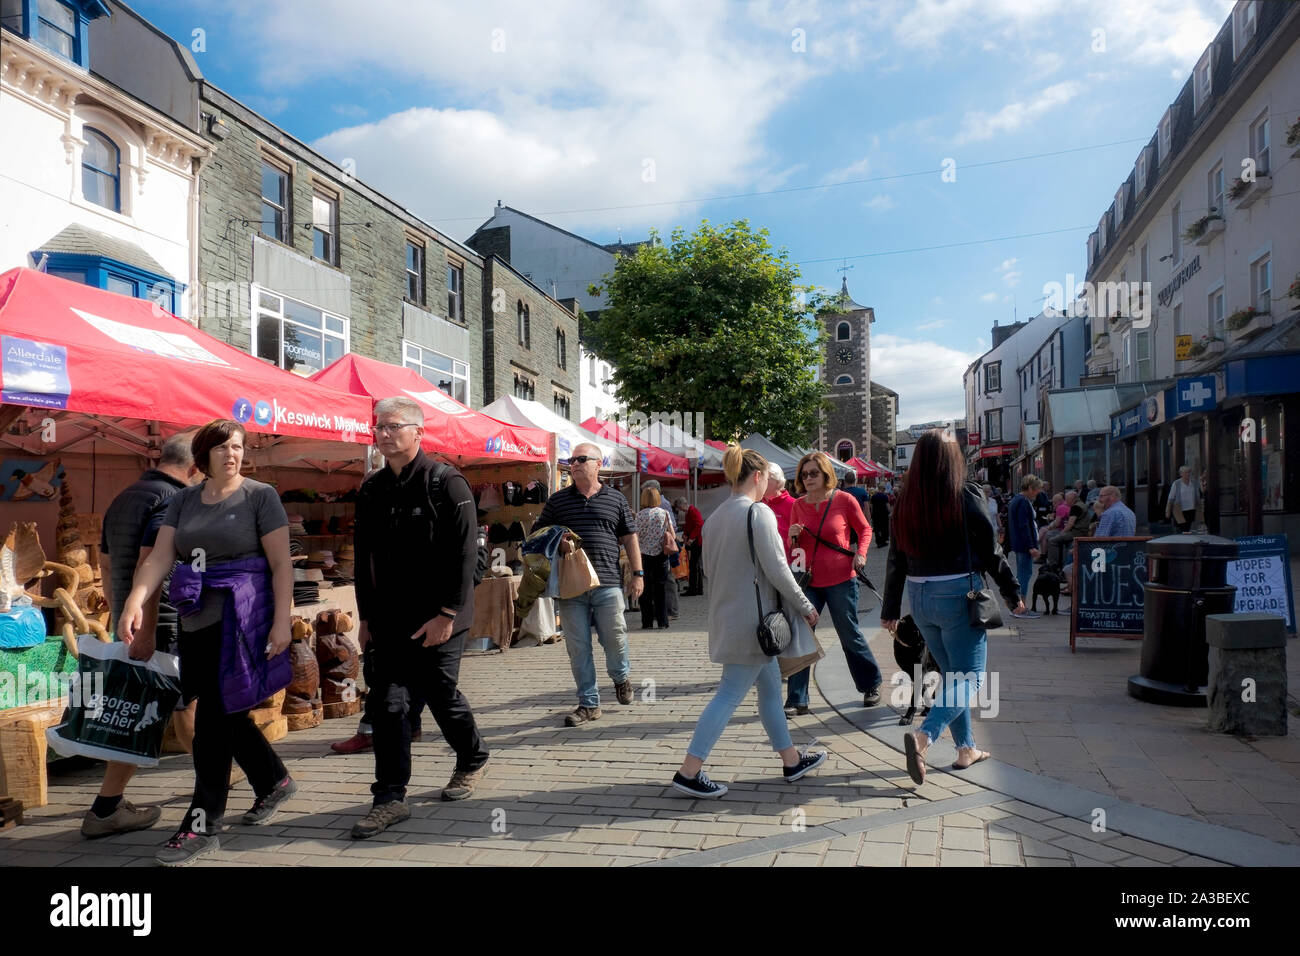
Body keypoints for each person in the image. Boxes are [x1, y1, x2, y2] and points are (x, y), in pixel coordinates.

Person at [120, 419, 296, 866]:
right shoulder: (183, 500)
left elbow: (280, 566)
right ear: (204, 456)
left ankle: (201, 825)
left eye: (237, 447)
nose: (231, 455)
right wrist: (134, 603)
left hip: (243, 620)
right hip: (195, 618)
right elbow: (162, 556)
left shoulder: (261, 496)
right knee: (228, 712)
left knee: (213, 724)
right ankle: (274, 781)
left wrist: (282, 623)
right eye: (221, 448)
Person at [348, 397, 491, 839]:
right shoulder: (372, 490)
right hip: (389, 620)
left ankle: (471, 758)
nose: (384, 434)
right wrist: (366, 617)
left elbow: (466, 557)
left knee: (440, 696)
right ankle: (389, 798)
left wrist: (447, 614)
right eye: (379, 427)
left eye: (393, 426)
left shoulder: (446, 483)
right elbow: (363, 560)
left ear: (418, 432)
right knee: (390, 705)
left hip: (440, 617)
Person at [670, 444, 826, 798]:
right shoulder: (759, 513)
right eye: (767, 479)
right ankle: (689, 771)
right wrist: (804, 604)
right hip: (756, 625)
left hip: (729, 618)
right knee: (729, 694)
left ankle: (791, 760)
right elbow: (777, 568)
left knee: (770, 690)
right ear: (757, 476)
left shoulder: (715, 518)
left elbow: (709, 571)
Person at [881, 430, 1024, 785]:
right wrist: (1012, 592)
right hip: (959, 594)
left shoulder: (904, 501)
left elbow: (895, 559)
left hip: (920, 597)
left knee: (953, 677)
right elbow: (992, 551)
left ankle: (966, 749)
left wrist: (890, 609)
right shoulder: (965, 494)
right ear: (953, 459)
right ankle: (923, 737)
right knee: (971, 675)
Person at [85, 433, 200, 839]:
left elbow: (105, 559)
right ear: (194, 468)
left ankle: (217, 777)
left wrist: (121, 613)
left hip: (131, 618)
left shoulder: (126, 496)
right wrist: (147, 626)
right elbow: (151, 561)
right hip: (161, 620)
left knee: (170, 705)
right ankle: (106, 807)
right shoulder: (171, 500)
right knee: (148, 711)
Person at [537, 442, 642, 726]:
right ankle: (589, 703)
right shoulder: (557, 501)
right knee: (578, 647)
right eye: (572, 460)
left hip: (608, 583)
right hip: (571, 586)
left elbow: (630, 537)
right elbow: (538, 533)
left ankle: (620, 677)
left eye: (581, 459)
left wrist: (638, 573)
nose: (575, 464)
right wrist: (555, 540)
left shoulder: (616, 499)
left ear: (598, 464)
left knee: (615, 638)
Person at [784, 451, 881, 716]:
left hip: (841, 579)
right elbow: (794, 548)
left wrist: (860, 553)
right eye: (804, 474)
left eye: (814, 472)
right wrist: (792, 537)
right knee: (803, 633)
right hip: (810, 581)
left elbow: (865, 529)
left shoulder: (844, 499)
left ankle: (871, 683)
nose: (808, 477)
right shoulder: (798, 505)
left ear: (826, 474)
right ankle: (797, 698)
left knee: (848, 632)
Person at [634, 487, 672, 630]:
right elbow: (672, 535)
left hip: (643, 556)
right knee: (660, 589)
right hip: (660, 555)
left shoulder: (640, 515)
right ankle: (662, 621)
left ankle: (647, 622)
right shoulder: (664, 514)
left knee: (646, 591)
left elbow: (635, 537)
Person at [1006, 475, 1042, 619]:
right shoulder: (1022, 501)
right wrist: (1031, 546)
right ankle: (1020, 607)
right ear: (1030, 488)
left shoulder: (1016, 500)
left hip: (1019, 544)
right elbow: (1024, 526)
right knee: (1024, 575)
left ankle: (1018, 606)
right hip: (1024, 545)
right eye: (1036, 490)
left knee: (1022, 575)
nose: (1037, 493)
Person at [643, 478, 679, 618]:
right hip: (660, 549)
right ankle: (666, 611)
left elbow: (672, 527)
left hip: (661, 548)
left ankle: (670, 610)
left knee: (666, 580)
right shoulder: (661, 506)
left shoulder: (663, 505)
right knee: (663, 580)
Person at [761, 462, 795, 559]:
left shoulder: (793, 504)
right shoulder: (758, 504)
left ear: (778, 481)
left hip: (789, 562)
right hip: (764, 562)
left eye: (766, 479)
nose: (762, 482)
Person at [1045, 490, 1087, 568]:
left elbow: (1070, 524)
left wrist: (1062, 533)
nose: (1066, 502)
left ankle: (1053, 566)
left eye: (1067, 500)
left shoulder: (1075, 507)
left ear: (1073, 499)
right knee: (1058, 538)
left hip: (1077, 532)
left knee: (1052, 540)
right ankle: (1059, 563)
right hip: (1082, 531)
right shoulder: (1082, 505)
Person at [676, 497, 705, 596]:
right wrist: (685, 534)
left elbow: (699, 525)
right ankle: (697, 588)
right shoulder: (689, 513)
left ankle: (694, 589)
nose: (680, 510)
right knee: (695, 565)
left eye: (680, 508)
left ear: (683, 505)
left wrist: (691, 538)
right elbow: (688, 526)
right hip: (695, 541)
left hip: (697, 542)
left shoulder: (693, 511)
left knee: (694, 565)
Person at [1165, 465, 1202, 533]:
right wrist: (1168, 511)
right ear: (1181, 474)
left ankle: (1187, 542)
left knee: (1188, 529)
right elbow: (1171, 498)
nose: (1188, 474)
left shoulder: (1194, 483)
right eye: (1186, 472)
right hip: (1179, 510)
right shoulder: (1176, 483)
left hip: (1191, 509)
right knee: (1182, 529)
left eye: (1189, 472)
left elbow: (1199, 495)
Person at [870, 483, 891, 547]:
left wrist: (871, 513)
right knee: (884, 528)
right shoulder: (885, 496)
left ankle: (878, 542)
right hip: (884, 515)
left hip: (875, 514)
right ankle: (883, 541)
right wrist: (889, 512)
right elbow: (888, 506)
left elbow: (871, 506)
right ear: (882, 489)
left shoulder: (873, 496)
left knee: (876, 528)